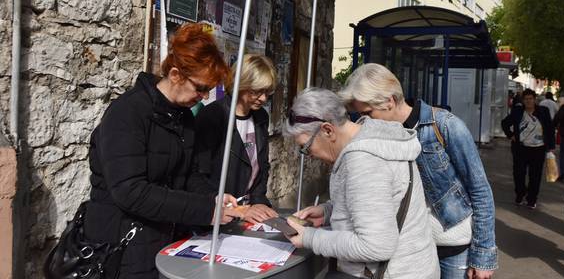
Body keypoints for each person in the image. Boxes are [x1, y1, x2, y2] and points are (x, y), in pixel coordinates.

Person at [83, 23, 241, 278]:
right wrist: (206, 211)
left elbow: (188, 176)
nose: (203, 96)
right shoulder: (127, 113)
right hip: (119, 245)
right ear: (176, 74)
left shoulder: (184, 118)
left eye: (208, 90)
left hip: (163, 241)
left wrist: (214, 198)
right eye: (200, 88)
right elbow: (130, 191)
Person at [339, 63, 497, 279]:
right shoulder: (377, 135)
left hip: (453, 249)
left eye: (368, 113)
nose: (364, 121)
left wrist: (483, 256)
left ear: (389, 101)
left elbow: (480, 190)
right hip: (411, 250)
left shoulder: (445, 126)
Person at [284, 88, 439, 279]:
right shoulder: (375, 136)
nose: (310, 156)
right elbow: (382, 203)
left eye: (306, 147)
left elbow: (375, 246)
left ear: (327, 130)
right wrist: (328, 211)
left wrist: (310, 238)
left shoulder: (364, 160)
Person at [195, 54, 279, 224]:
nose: (263, 98)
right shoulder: (213, 116)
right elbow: (200, 172)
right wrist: (230, 207)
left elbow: (262, 165)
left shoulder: (261, 116)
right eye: (257, 91)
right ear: (241, 84)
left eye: (267, 92)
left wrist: (259, 200)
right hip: (220, 212)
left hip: (249, 210)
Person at [501, 88, 555, 209]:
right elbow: (504, 123)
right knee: (519, 174)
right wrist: (511, 135)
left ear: (535, 99)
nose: (528, 101)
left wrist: (551, 147)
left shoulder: (543, 111)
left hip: (538, 149)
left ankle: (532, 199)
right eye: (526, 99)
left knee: (535, 176)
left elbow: (550, 129)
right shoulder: (517, 111)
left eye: (531, 99)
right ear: (523, 100)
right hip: (521, 148)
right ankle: (520, 194)